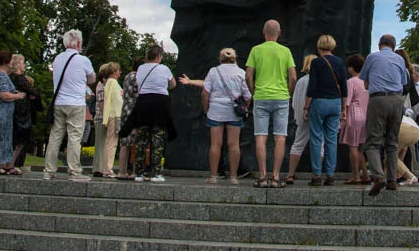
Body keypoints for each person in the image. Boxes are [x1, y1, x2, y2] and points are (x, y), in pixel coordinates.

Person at [180, 47, 251, 184]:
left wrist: (206, 109)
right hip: (234, 112)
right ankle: (234, 177)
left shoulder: (213, 71)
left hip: (216, 111)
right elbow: (247, 96)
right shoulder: (241, 73)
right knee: (234, 144)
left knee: (215, 144)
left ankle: (213, 176)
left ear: (220, 58)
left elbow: (205, 93)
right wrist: (244, 108)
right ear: (234, 58)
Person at [244, 19, 297, 188]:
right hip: (281, 97)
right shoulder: (285, 51)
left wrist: (253, 92)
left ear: (263, 32)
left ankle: (262, 176)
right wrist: (288, 93)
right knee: (280, 137)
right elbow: (293, 76)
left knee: (261, 136)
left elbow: (248, 75)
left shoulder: (256, 50)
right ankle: (275, 177)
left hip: (261, 97)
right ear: (279, 33)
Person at [359, 34, 410, 195]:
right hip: (397, 101)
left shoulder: (372, 57)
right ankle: (392, 179)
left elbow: (365, 83)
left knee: (373, 141)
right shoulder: (400, 60)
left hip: (378, 99)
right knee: (392, 142)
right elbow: (402, 82)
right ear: (394, 47)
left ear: (380, 44)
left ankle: (378, 176)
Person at [43, 29, 96, 182]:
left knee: (55, 137)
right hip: (76, 103)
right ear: (78, 43)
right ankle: (74, 171)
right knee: (74, 137)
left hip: (58, 102)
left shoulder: (58, 58)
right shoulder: (83, 60)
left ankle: (49, 170)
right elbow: (92, 78)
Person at [122, 44, 177, 182]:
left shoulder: (141, 68)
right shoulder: (164, 68)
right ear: (159, 56)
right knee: (157, 138)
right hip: (160, 103)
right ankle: (155, 172)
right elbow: (173, 84)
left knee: (141, 138)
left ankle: (139, 172)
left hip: (143, 102)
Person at [304, 36, 348, 186]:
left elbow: (312, 86)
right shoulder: (340, 62)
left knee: (316, 138)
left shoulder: (316, 62)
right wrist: (344, 108)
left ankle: (316, 175)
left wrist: (306, 107)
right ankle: (330, 174)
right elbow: (344, 86)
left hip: (319, 101)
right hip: (335, 102)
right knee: (331, 140)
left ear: (319, 47)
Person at [286, 54, 316, 185]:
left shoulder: (301, 81)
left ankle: (291, 174)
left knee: (298, 144)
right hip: (317, 116)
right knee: (319, 145)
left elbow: (295, 101)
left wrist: (298, 116)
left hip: (302, 118)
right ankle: (317, 174)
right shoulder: (320, 80)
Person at [340, 54, 369, 184]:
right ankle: (366, 174)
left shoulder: (351, 82)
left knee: (353, 146)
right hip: (366, 115)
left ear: (351, 68)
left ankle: (356, 175)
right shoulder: (367, 81)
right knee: (361, 148)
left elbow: (347, 100)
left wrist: (343, 113)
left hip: (354, 114)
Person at [8, 53, 38, 169]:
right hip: (21, 113)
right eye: (23, 63)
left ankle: (7, 164)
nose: (24, 65)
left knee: (12, 140)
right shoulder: (20, 78)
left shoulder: (9, 77)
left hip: (12, 111)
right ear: (19, 64)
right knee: (19, 141)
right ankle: (11, 164)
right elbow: (34, 91)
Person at [116, 58, 143, 180]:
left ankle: (122, 171)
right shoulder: (137, 77)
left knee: (125, 143)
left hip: (125, 108)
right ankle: (134, 171)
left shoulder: (127, 76)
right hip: (135, 109)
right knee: (136, 141)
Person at [99, 62, 123, 177]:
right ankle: (108, 169)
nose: (120, 73)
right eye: (118, 71)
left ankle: (106, 168)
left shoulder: (109, 82)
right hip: (114, 114)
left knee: (109, 142)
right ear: (114, 72)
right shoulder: (113, 82)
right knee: (112, 143)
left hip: (111, 114)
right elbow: (116, 100)